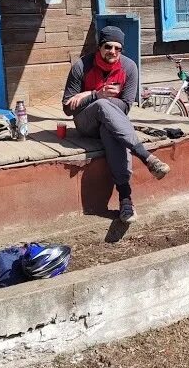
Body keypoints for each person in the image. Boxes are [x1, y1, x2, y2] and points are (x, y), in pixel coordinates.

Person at [62, 26, 170, 223]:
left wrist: (90, 95)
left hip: (112, 125)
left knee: (112, 133)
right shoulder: (81, 66)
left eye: (117, 48)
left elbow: (126, 107)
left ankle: (126, 200)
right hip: (85, 123)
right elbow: (68, 108)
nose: (112, 52)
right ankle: (145, 156)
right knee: (103, 106)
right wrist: (96, 95)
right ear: (99, 47)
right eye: (108, 46)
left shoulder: (129, 68)